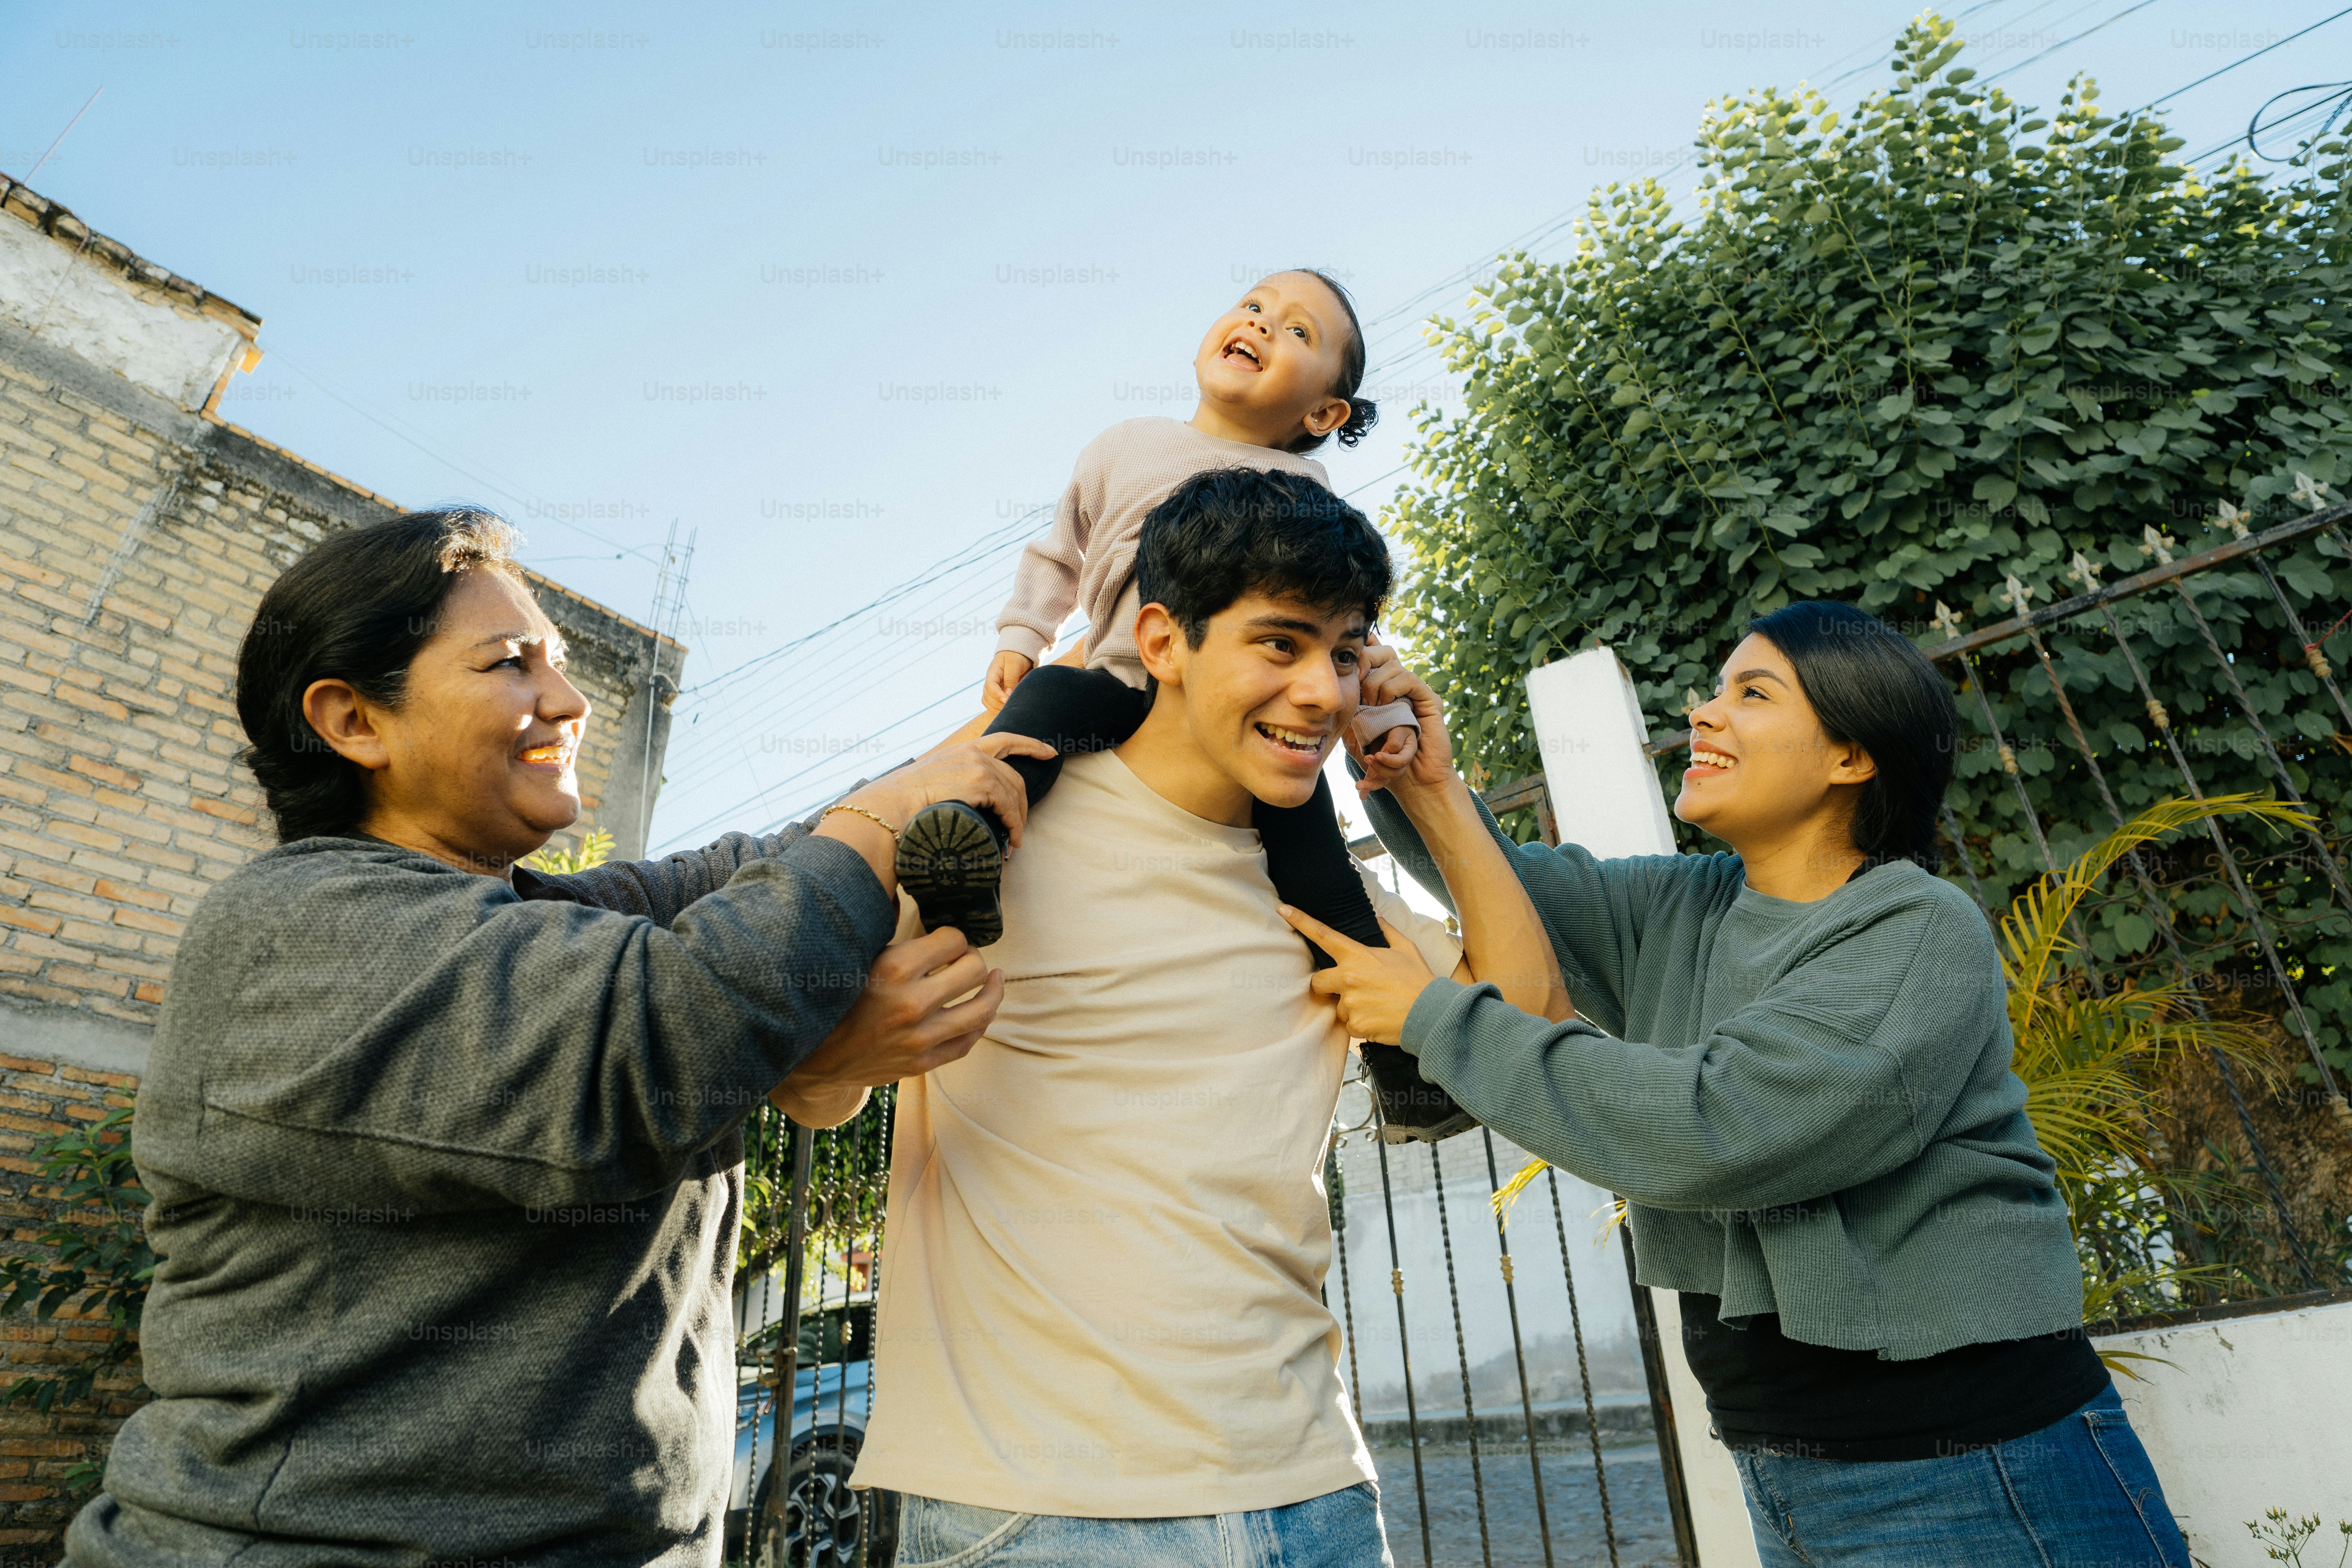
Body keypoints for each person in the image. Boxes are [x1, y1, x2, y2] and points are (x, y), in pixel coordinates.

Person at [65, 509, 1052, 1568]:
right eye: (510, 664)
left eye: (567, 665)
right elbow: (662, 1040)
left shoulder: (561, 922)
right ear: (354, 720)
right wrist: (869, 853)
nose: (572, 703)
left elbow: (790, 863)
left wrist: (1087, 676)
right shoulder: (289, 933)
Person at [1290, 601, 2195, 1568]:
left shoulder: (1914, 926)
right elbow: (1508, 893)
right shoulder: (1689, 903)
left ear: (1851, 756)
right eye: (1714, 691)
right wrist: (1422, 777)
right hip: (1787, 1469)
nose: (1705, 715)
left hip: (1977, 1471)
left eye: (1751, 693)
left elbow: (1716, 1131)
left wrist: (1428, 1014)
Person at [820, 471, 1566, 1566]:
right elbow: (812, 1092)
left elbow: (1530, 1037)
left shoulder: (1330, 896)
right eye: (1279, 643)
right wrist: (854, 1046)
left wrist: (1436, 790)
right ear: (1162, 640)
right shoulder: (992, 830)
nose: (1321, 688)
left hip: (1315, 1500)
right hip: (1042, 1516)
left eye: (1347, 650)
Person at [889, 272, 1469, 1133]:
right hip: (1119, 681)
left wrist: (1371, 718)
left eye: (1299, 332)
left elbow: (1336, 637)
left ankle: (1405, 1070)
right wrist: (1022, 636)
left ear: (1325, 415)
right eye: (1254, 305)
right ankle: (967, 847)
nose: (1262, 324)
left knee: (1326, 883)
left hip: (1249, 735)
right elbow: (1057, 552)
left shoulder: (1306, 497)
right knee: (1038, 713)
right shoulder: (1127, 445)